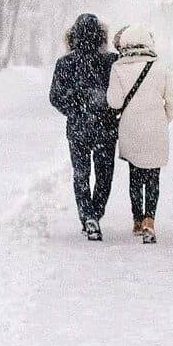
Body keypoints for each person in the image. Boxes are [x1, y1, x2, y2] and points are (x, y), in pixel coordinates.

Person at [107, 23, 173, 244]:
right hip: (156, 129)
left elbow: (114, 102)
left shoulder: (118, 68)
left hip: (131, 129)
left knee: (135, 176)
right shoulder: (161, 68)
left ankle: (137, 219)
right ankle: (150, 219)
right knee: (153, 176)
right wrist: (163, 118)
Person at [49, 13, 118, 241]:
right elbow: (119, 95)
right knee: (104, 175)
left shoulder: (65, 63)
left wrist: (74, 108)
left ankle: (87, 215)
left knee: (81, 174)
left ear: (73, 36)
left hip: (78, 128)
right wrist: (109, 108)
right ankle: (96, 212)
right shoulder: (111, 62)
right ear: (101, 35)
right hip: (105, 128)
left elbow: (55, 97)